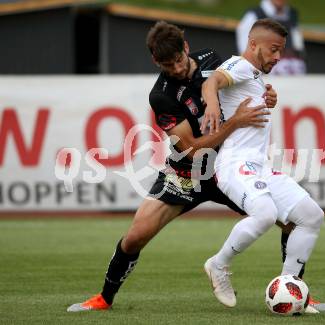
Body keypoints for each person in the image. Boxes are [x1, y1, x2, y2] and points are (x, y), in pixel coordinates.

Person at [66, 21, 276, 312]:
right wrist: (235, 123)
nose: (176, 69)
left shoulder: (212, 60)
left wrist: (267, 95)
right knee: (135, 237)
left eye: (178, 60)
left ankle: (299, 290)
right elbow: (191, 150)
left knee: (286, 216)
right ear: (155, 61)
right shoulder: (161, 95)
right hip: (187, 172)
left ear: (186, 48)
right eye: (167, 65)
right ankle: (104, 298)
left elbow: (246, 85)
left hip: (230, 165)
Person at [201, 18, 325, 312]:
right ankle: (218, 264)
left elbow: (239, 94)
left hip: (258, 167)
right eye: (273, 50)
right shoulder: (240, 65)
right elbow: (213, 82)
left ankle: (290, 287)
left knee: (311, 216)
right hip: (234, 165)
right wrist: (211, 103)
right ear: (252, 45)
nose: (277, 57)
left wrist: (267, 97)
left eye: (281, 51)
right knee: (265, 213)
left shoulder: (255, 76)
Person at [236, 0, 306, 75]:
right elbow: (246, 52)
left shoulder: (292, 15)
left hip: (293, 71)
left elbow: (298, 47)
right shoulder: (254, 16)